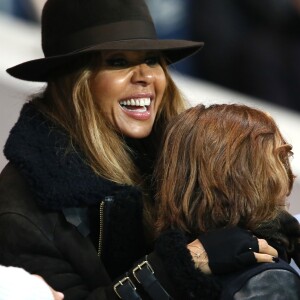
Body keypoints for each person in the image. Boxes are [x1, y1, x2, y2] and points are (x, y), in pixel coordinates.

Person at [0, 0, 280, 299]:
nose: (144, 75)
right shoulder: (22, 208)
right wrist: (181, 266)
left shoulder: (188, 154)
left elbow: (264, 224)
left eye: (151, 60)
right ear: (74, 83)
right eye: (118, 61)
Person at [154, 103, 300, 299]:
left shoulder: (163, 259)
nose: (289, 176)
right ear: (246, 178)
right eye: (279, 160)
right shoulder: (269, 280)